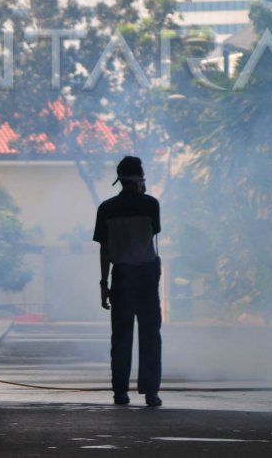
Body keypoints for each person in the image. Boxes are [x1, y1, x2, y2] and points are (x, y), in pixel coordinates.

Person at [93, 155, 163, 407]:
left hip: (121, 276)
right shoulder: (151, 205)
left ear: (119, 179)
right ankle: (151, 392)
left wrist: (104, 286)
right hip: (146, 276)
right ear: (140, 178)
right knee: (150, 336)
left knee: (121, 337)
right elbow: (152, 233)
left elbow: (104, 250)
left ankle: (120, 392)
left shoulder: (106, 208)